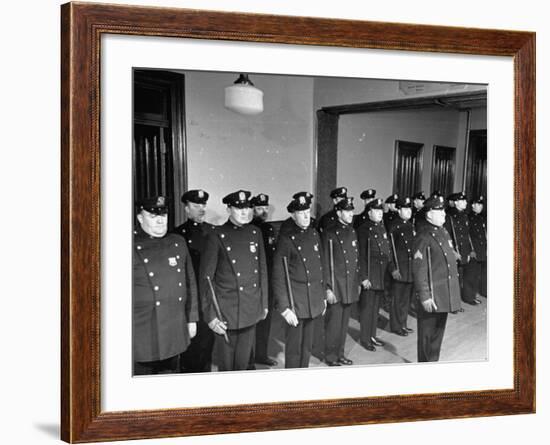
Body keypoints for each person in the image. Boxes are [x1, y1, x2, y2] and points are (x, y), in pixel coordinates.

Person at [199, 190, 269, 371]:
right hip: (226, 312)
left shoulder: (255, 233)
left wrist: (264, 304)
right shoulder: (217, 235)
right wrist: (211, 316)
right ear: (229, 209)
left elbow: (262, 272)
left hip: (250, 307)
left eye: (247, 207)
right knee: (227, 366)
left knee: (244, 363)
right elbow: (206, 279)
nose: (245, 212)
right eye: (239, 208)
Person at [133, 196, 198, 375]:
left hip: (174, 326)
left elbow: (190, 282)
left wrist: (192, 319)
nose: (161, 220)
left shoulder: (178, 242)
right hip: (143, 330)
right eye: (153, 216)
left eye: (163, 214)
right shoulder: (129, 245)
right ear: (140, 218)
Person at [272, 194, 328, 368]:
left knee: (307, 346)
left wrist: (323, 295)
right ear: (293, 215)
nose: (305, 216)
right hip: (296, 303)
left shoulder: (314, 234)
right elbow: (278, 276)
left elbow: (321, 266)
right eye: (301, 212)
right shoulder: (286, 240)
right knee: (294, 348)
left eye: (307, 211)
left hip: (313, 300)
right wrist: (285, 308)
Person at [412, 194, 462, 362]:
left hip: (443, 294)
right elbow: (419, 269)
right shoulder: (423, 236)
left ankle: (433, 365)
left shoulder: (443, 232)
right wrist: (424, 296)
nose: (444, 215)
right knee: (427, 338)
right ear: (429, 214)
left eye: (443, 212)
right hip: (432, 296)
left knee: (437, 337)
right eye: (439, 212)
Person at [173, 189, 216, 373]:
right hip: (189, 295)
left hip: (208, 294)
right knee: (190, 342)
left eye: (203, 205)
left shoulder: (213, 232)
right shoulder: (177, 235)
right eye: (196, 205)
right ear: (186, 208)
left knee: (208, 340)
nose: (201, 209)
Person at [321, 197, 360, 366]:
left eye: (352, 211)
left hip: (349, 286)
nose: (351, 214)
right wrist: (327, 289)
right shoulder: (329, 233)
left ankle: (340, 353)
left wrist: (357, 283)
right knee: (333, 325)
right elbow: (325, 264)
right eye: (347, 211)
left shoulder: (352, 231)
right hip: (336, 287)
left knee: (344, 324)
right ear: (338, 212)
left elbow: (356, 260)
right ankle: (331, 356)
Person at [356, 198, 397, 351]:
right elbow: (360, 255)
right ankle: (365, 338)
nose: (380, 213)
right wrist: (363, 277)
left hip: (381, 275)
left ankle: (372, 336)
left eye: (381, 211)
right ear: (369, 212)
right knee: (367, 309)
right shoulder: (363, 230)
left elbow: (386, 250)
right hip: (370, 276)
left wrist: (391, 268)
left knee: (375, 309)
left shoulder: (381, 227)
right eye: (377, 211)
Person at [249, 193, 278, 367]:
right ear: (252, 209)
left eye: (265, 208)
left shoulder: (268, 229)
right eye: (259, 208)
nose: (263, 211)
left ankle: (261, 354)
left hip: (268, 280)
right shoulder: (249, 228)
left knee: (266, 322)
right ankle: (249, 356)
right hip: (254, 281)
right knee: (251, 321)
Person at [445, 192, 479, 305]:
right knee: (454, 279)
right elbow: (447, 235)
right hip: (455, 250)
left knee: (470, 274)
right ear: (455, 202)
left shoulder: (465, 216)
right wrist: (453, 252)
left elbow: (467, 234)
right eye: (462, 201)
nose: (465, 203)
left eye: (465, 201)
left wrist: (471, 249)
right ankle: (453, 303)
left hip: (466, 249)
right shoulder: (448, 216)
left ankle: (469, 297)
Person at [388, 196, 416, 336]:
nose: (408, 211)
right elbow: (390, 250)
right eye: (405, 208)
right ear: (399, 210)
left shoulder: (411, 225)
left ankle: (403, 324)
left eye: (409, 208)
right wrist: (393, 268)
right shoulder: (394, 226)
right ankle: (396, 326)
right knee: (398, 299)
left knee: (406, 299)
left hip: (410, 269)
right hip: (400, 268)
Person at [463, 195, 487, 300]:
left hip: (482, 249)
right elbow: (466, 235)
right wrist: (470, 250)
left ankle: (476, 293)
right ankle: (469, 297)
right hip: (473, 250)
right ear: (472, 205)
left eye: (481, 204)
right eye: (478, 204)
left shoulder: (482, 217)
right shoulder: (468, 217)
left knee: (478, 273)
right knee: (471, 274)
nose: (480, 206)